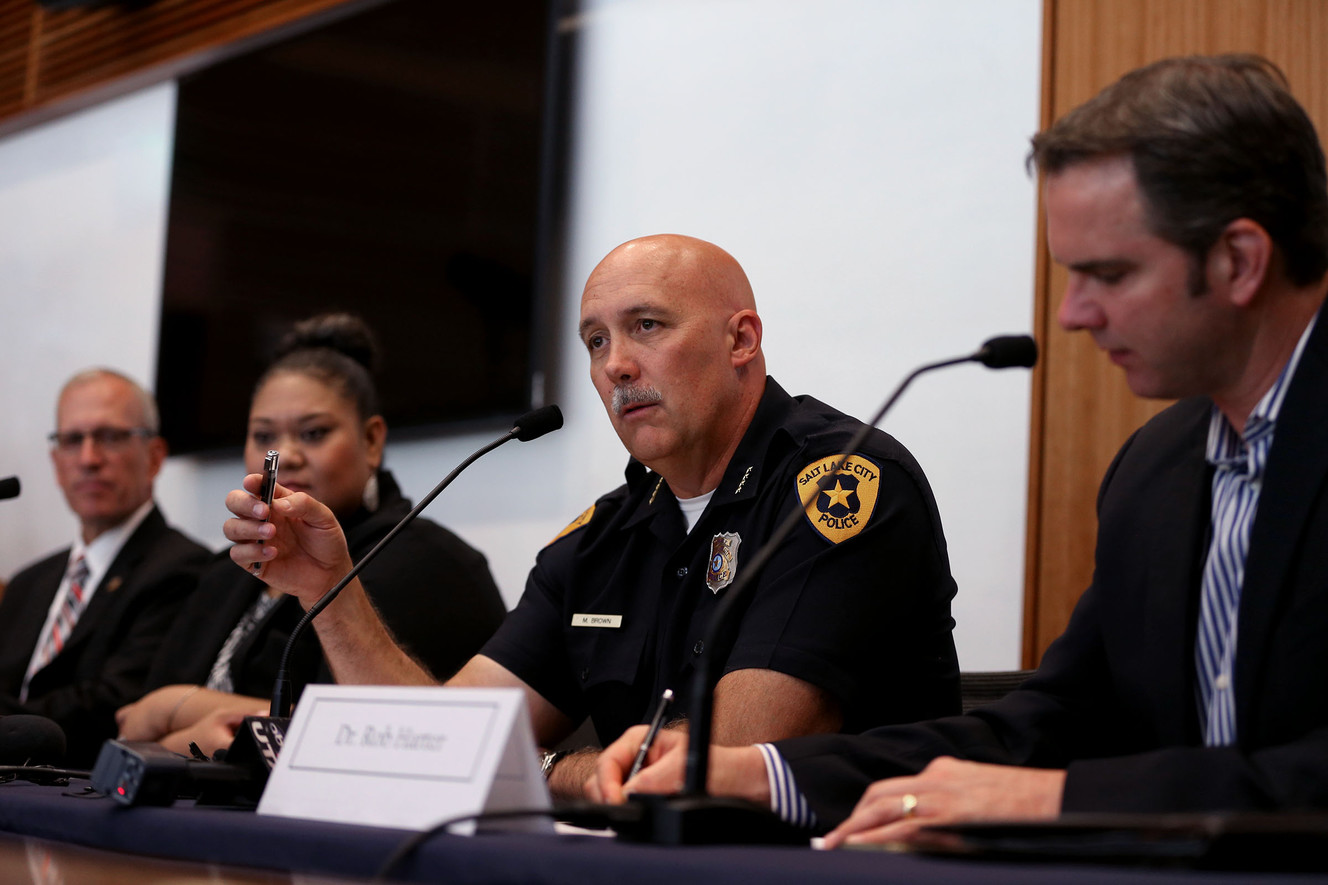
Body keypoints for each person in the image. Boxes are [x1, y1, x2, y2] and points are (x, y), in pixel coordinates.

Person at [591, 54, 1328, 842]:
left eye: (1107, 274)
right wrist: (760, 771)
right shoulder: (1157, 470)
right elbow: (1049, 726)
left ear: (1239, 260)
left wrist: (1057, 802)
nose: (1073, 314)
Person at [223, 234, 962, 799]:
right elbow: (437, 741)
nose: (616, 366)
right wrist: (329, 587)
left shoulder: (839, 485)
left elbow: (727, 758)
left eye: (647, 326)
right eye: (596, 341)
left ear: (741, 340)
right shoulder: (604, 536)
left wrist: (539, 770)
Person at [117, 314, 507, 756]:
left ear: (372, 440)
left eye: (314, 433)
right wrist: (182, 733)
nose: (286, 457)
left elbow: (364, 732)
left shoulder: (422, 559)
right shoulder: (226, 568)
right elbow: (132, 720)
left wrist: (178, 709)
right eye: (264, 436)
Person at [0, 369, 211, 765]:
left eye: (111, 437)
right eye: (72, 440)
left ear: (155, 456)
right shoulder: (29, 582)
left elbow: (111, 708)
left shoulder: (185, 569)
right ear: (56, 461)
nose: (88, 458)